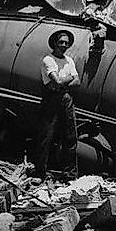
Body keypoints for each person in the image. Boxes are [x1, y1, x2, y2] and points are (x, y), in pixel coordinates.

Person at [35, 30, 79, 178]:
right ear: (55, 43)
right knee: (46, 136)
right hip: (51, 99)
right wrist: (68, 78)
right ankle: (40, 173)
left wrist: (62, 83)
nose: (64, 45)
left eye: (67, 43)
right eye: (61, 42)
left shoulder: (69, 60)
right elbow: (58, 81)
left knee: (70, 136)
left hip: (66, 99)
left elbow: (77, 82)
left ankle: (70, 174)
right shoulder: (48, 60)